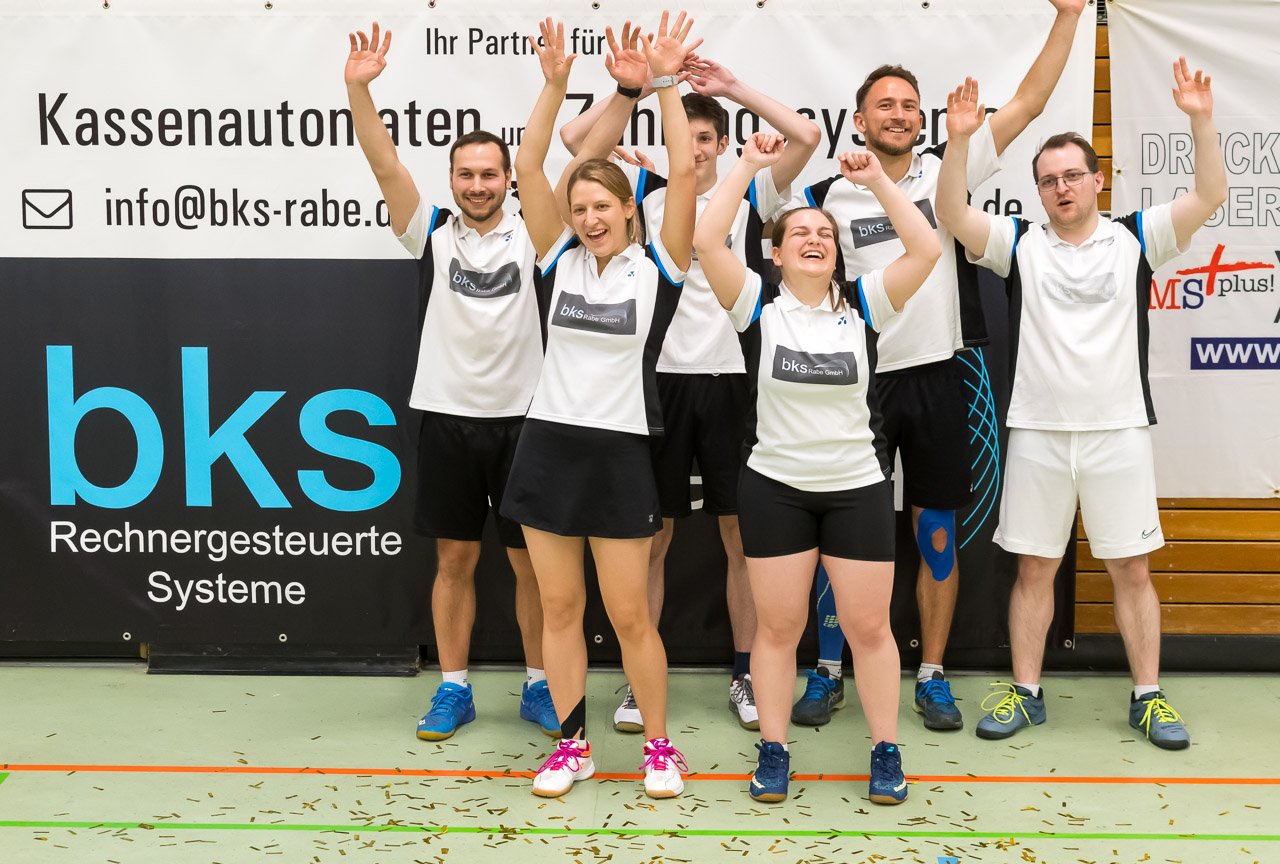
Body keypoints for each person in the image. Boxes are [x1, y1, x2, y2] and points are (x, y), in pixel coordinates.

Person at [791, 0, 1089, 733]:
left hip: (940, 378)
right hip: (855, 387)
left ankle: (931, 675)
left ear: (921, 119)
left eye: (908, 106)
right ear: (858, 120)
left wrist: (1069, 17)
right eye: (884, 105)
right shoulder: (827, 194)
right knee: (842, 537)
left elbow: (1030, 101)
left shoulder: (949, 166)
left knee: (935, 536)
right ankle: (828, 669)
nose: (898, 115)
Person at [934, 61, 1226, 749]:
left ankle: (1147, 696)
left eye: (1072, 175)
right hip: (1037, 432)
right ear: (1037, 192)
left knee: (1132, 569)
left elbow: (1211, 193)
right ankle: (1026, 691)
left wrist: (1200, 118)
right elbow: (949, 213)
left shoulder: (1137, 236)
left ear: (1097, 181)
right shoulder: (1018, 244)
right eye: (1048, 180)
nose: (1061, 187)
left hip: (1118, 432)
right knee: (1034, 569)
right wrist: (959, 141)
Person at [560, 54, 821, 734]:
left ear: (723, 144)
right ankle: (638, 681)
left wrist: (732, 86)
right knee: (651, 538)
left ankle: (745, 672)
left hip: (736, 382)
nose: (698, 150)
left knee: (741, 537)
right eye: (690, 138)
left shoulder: (753, 191)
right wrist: (639, 86)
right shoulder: (644, 189)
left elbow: (806, 136)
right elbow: (573, 142)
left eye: (708, 139)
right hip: (658, 384)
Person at [695, 132, 940, 804]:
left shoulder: (866, 303)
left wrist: (877, 182)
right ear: (775, 253)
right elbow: (708, 240)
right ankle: (774, 750)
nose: (814, 238)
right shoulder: (755, 306)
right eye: (798, 232)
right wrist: (748, 165)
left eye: (825, 233)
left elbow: (926, 249)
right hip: (775, 488)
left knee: (870, 631)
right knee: (778, 630)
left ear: (837, 251)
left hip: (857, 488)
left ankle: (885, 750)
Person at [500, 14, 698, 798]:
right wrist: (554, 85)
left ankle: (658, 748)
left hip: (620, 454)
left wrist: (666, 83)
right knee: (558, 608)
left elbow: (684, 174)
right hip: (548, 449)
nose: (588, 218)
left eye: (601, 206)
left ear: (627, 209)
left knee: (630, 616)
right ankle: (571, 745)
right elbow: (527, 166)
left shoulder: (659, 269)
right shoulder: (556, 261)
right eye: (578, 207)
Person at [344, 22, 555, 741]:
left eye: (490, 174)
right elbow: (384, 166)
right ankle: (454, 688)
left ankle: (539, 684)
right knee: (455, 559)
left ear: (508, 180)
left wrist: (553, 85)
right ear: (452, 181)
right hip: (446, 419)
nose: (477, 185)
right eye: (466, 174)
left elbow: (547, 154)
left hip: (525, 421)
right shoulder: (429, 231)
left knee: (533, 568)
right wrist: (358, 89)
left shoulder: (537, 235)